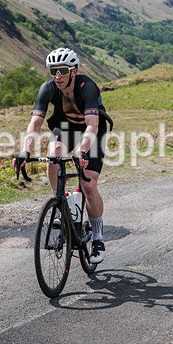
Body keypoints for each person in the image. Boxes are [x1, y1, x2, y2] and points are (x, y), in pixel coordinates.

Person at [14, 48, 113, 264]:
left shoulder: (87, 87)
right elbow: (35, 123)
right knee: (53, 158)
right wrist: (26, 150)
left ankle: (97, 236)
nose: (57, 76)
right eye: (53, 71)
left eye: (62, 71)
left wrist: (82, 150)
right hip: (66, 127)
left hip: (92, 132)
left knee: (88, 185)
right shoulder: (48, 88)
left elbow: (92, 125)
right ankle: (60, 202)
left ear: (74, 71)